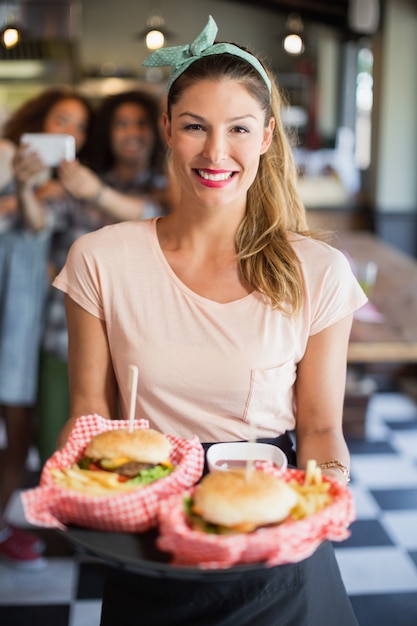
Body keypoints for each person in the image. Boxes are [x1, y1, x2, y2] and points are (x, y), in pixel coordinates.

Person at [53, 16, 366, 626]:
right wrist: (77, 488)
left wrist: (322, 501)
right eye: (195, 126)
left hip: (275, 540)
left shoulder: (320, 272)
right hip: (149, 537)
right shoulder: (100, 259)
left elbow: (322, 428)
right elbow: (88, 415)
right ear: (167, 129)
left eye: (239, 129)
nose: (215, 153)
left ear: (268, 136)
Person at [35, 88, 172, 465]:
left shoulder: (170, 189)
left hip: (141, 354)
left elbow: (153, 214)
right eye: (121, 123)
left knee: (128, 462)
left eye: (140, 123)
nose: (132, 132)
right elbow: (38, 222)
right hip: (64, 340)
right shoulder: (77, 186)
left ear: (160, 130)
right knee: (58, 454)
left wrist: (96, 192)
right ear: (106, 133)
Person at [0, 87, 93, 570]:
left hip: (25, 328)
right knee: (17, 435)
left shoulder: (63, 188)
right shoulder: (8, 155)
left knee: (21, 434)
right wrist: (21, 191)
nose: (69, 134)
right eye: (61, 121)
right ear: (38, 120)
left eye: (79, 127)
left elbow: (38, 229)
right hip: (10, 322)